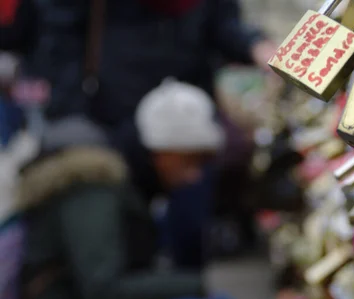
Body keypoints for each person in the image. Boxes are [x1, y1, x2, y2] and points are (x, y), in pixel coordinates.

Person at [1, 0, 277, 267]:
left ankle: (188, 298)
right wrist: (75, 110)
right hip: (118, 119)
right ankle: (147, 297)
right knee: (127, 228)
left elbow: (223, 24)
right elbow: (59, 37)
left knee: (190, 226)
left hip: (188, 122)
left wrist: (255, 45)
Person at [17, 81, 236, 299]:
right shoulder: (95, 192)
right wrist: (190, 285)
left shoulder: (122, 182)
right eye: (191, 161)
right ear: (162, 153)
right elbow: (102, 290)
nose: (195, 176)